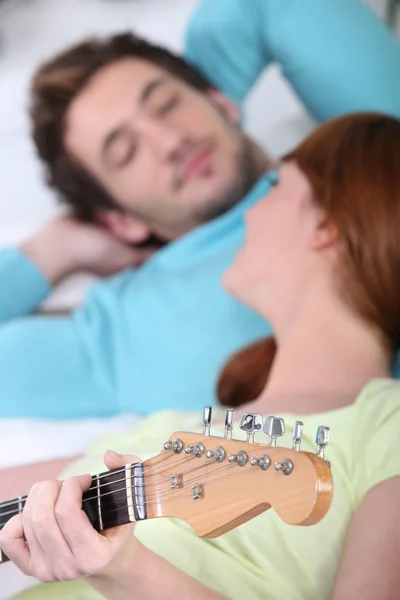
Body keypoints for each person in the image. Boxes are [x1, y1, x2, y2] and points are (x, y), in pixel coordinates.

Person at [2, 112, 400, 600]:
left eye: (273, 187)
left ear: (324, 224)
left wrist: (130, 570)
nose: (249, 213)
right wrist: (54, 248)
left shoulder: (389, 428)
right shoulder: (167, 429)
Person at [1, 0, 400, 419]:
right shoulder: (125, 334)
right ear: (120, 220)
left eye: (167, 104)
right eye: (126, 151)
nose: (171, 142)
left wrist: (217, 107)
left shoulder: (362, 157)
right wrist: (51, 252)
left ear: (221, 100)